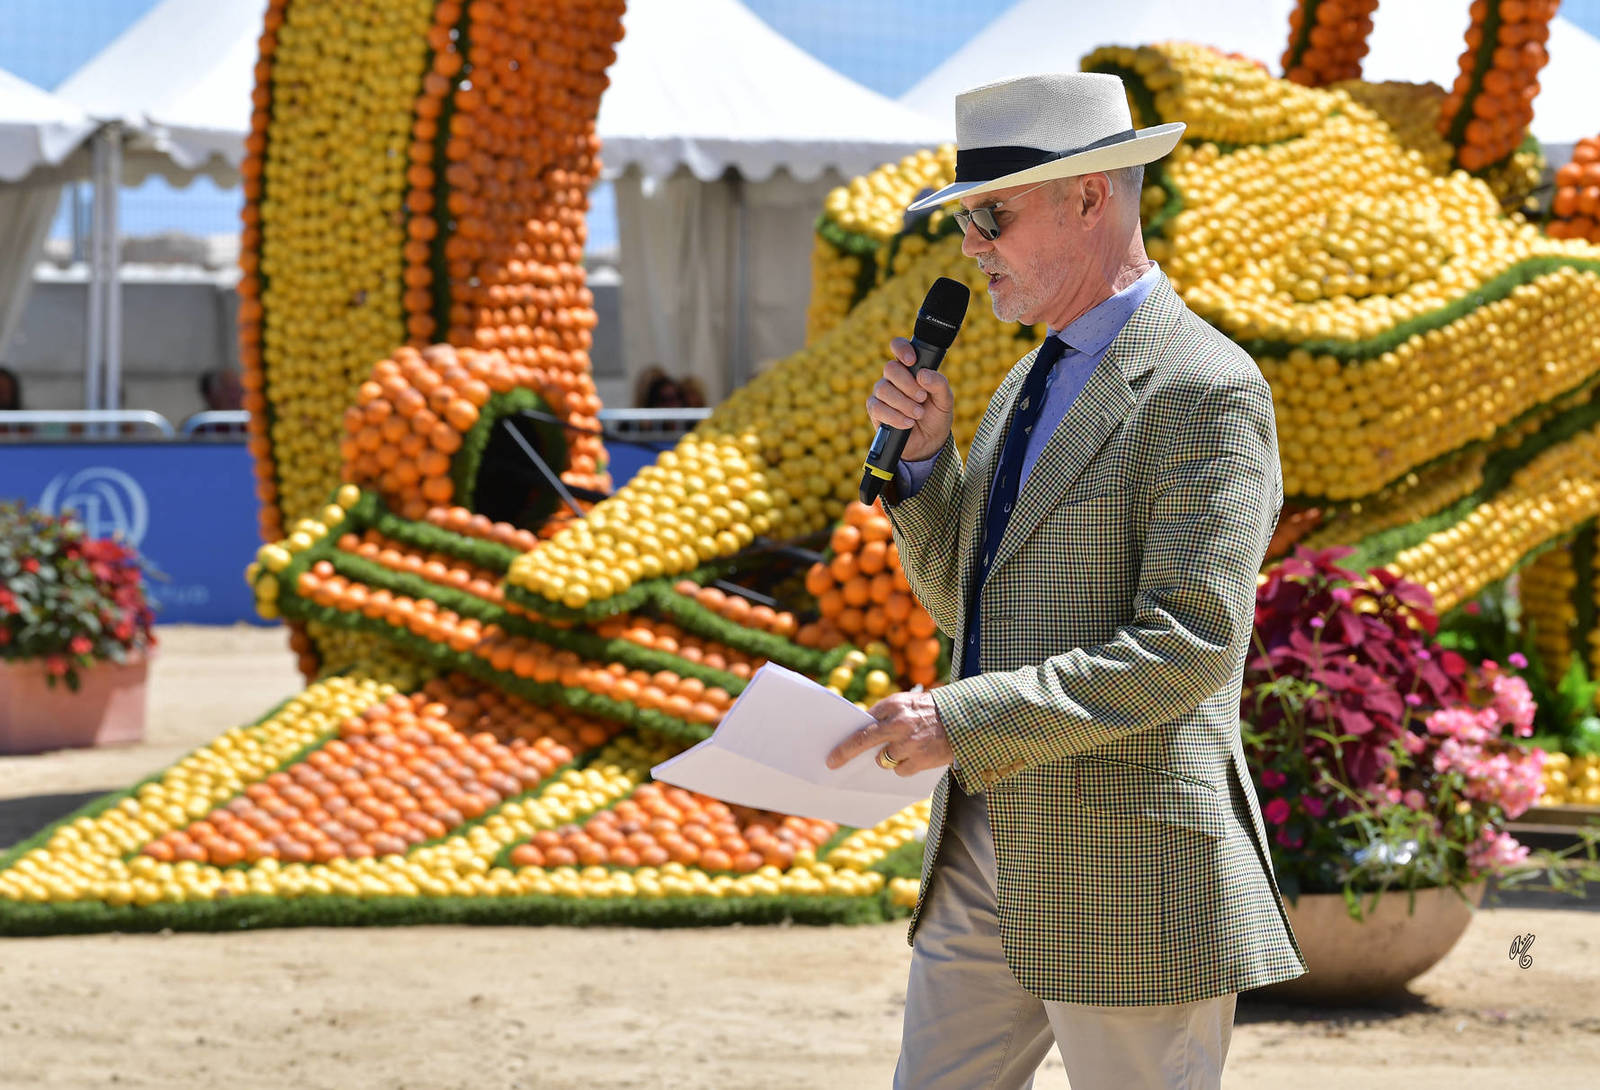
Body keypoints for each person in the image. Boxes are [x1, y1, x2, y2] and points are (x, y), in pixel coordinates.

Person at [827, 72, 1306, 1089]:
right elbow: (972, 606)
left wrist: (964, 720)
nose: (970, 244)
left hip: (1128, 862)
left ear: (1090, 197)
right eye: (963, 219)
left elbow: (1189, 641)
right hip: (983, 844)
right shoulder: (1027, 375)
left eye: (988, 215)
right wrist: (922, 468)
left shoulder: (1205, 386)